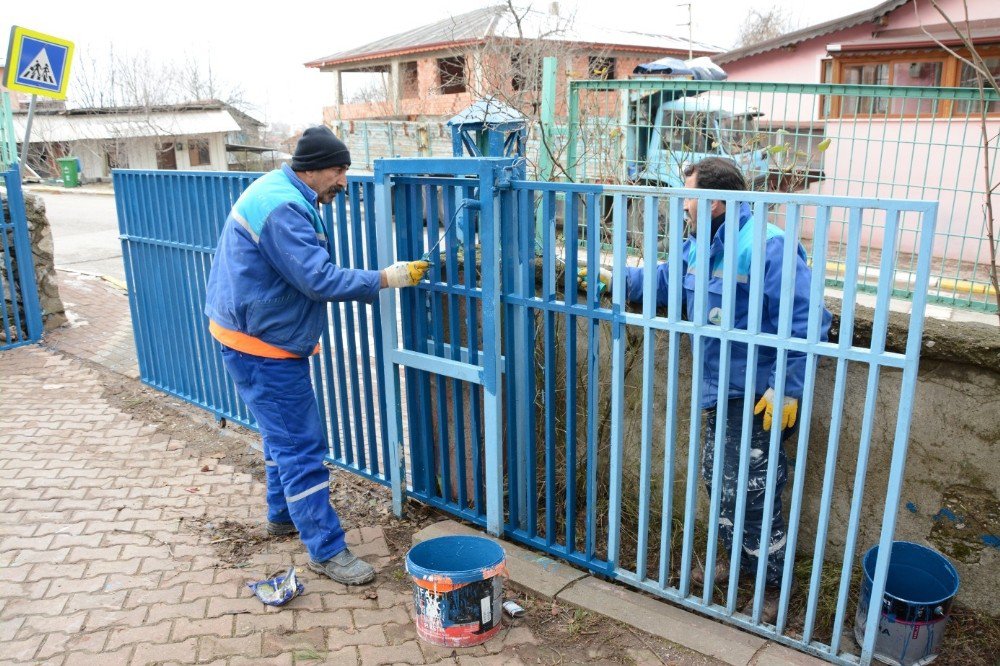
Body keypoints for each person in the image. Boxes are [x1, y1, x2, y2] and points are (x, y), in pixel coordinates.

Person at [580, 157, 832, 622]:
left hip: (759, 394)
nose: (683, 205)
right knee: (720, 482)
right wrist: (616, 280)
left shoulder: (768, 246)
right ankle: (733, 562)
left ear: (714, 201)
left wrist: (786, 388)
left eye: (688, 195)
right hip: (718, 390)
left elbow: (807, 320)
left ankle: (770, 582)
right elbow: (664, 280)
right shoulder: (701, 246)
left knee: (754, 490)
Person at [204, 126, 429, 585]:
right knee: (300, 445)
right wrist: (385, 278)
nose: (343, 182)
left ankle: (281, 515)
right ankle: (326, 550)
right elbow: (318, 280)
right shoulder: (284, 207)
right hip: (263, 344)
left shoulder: (280, 189)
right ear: (313, 168)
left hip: (245, 331)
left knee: (279, 434)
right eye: (339, 170)